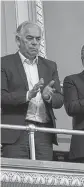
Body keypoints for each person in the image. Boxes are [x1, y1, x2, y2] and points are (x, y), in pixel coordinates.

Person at [1, 21, 63, 160]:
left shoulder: (50, 66)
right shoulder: (4, 63)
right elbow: (1, 96)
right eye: (30, 38)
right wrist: (28, 95)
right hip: (16, 132)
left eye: (38, 38)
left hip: (44, 132)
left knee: (44, 178)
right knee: (16, 179)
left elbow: (59, 100)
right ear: (18, 40)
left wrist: (48, 97)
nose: (35, 43)